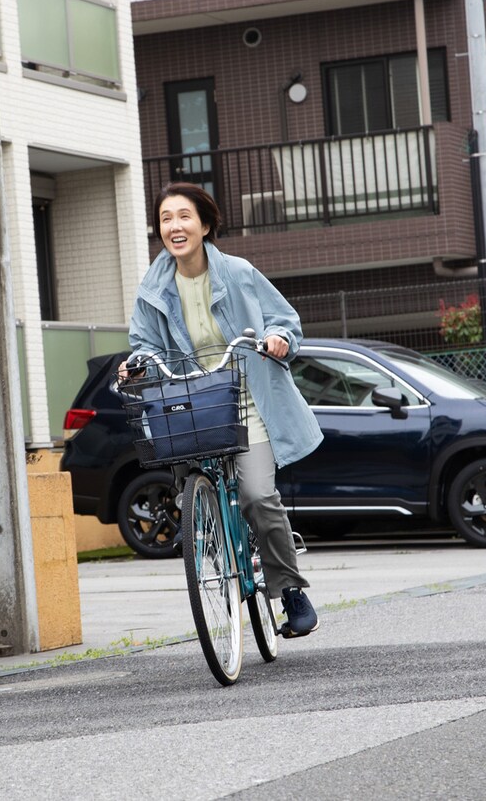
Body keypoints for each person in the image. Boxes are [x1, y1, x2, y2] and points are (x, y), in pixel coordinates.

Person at [121, 182, 324, 638]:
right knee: (192, 491)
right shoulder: (152, 288)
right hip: (192, 406)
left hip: (248, 402)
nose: (174, 226)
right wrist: (134, 367)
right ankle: (215, 547)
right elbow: (144, 345)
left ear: (205, 225)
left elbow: (285, 321)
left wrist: (278, 340)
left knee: (256, 496)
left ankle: (290, 590)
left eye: (184, 216)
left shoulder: (239, 272)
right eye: (166, 218)